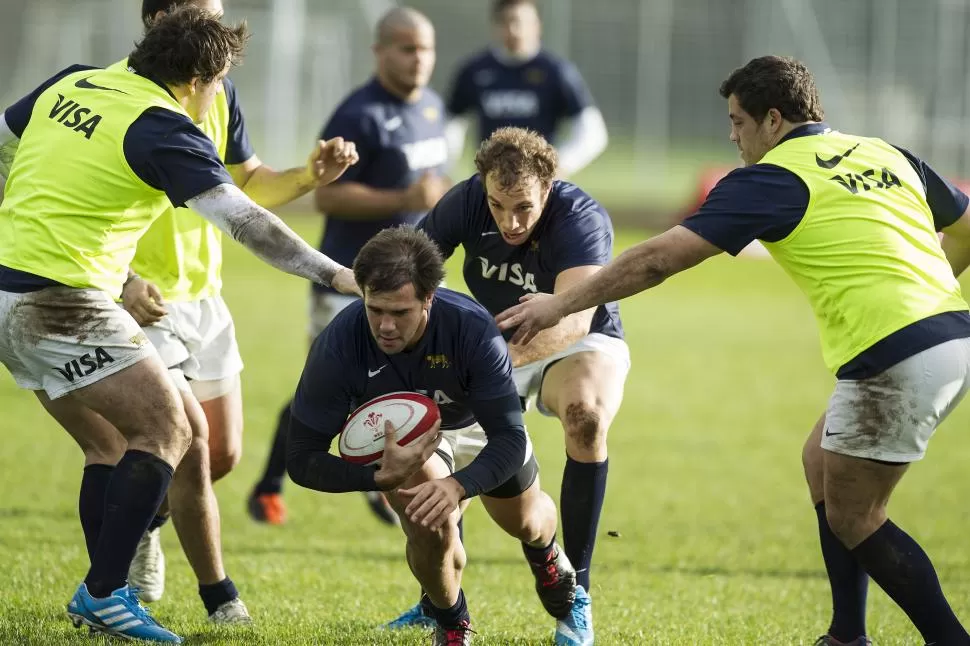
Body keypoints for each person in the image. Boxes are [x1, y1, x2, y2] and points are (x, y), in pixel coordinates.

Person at [496, 55, 970, 646]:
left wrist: (560, 305)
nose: (732, 135)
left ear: (774, 120)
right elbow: (966, 227)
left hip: (897, 354)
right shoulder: (883, 151)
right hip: (950, 334)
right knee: (820, 461)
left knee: (856, 514)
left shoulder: (773, 178)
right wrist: (930, 299)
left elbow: (657, 258)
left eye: (738, 121)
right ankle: (847, 635)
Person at [0, 7, 358, 643]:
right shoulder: (163, 128)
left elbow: (3, 143)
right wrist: (338, 276)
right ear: (200, 78)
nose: (220, 97)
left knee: (137, 439)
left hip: (21, 291)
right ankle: (106, 593)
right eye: (219, 84)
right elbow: (250, 225)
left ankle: (113, 590)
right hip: (55, 303)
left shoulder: (77, 82)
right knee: (167, 428)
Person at [286, 226, 591, 646]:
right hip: (409, 439)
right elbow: (301, 457)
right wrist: (376, 479)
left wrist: (459, 485)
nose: (385, 326)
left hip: (476, 426)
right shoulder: (339, 346)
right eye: (375, 309)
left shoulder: (471, 329)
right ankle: (451, 622)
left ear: (429, 299)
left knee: (526, 521)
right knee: (429, 527)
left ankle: (548, 558)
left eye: (401, 312)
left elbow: (509, 437)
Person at [385, 126, 628, 645]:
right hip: (493, 344)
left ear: (548, 186)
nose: (509, 221)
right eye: (498, 205)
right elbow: (411, 271)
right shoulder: (466, 202)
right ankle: (439, 599)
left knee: (585, 415)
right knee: (444, 470)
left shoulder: (580, 218)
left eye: (523, 207)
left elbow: (574, 320)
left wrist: (486, 361)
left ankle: (576, 594)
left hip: (576, 341)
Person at [248, 5, 449, 527]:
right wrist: (402, 196)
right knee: (330, 386)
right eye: (406, 48)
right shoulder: (357, 113)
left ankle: (365, 481)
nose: (418, 59)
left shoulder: (432, 107)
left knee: (387, 387)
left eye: (425, 48)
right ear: (380, 52)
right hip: (347, 278)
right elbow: (329, 198)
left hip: (406, 286)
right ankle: (278, 487)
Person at [444, 0, 607, 177]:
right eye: (506, 21)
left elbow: (593, 132)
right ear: (495, 26)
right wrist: (445, 170)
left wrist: (559, 166)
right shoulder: (475, 71)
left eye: (521, 22)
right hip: (489, 186)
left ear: (537, 25)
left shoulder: (556, 72)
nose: (514, 30)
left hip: (538, 189)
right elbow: (450, 125)